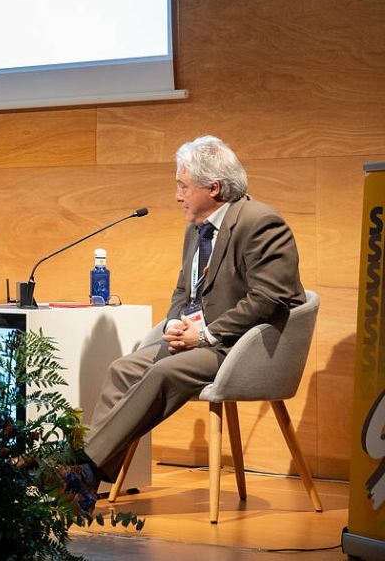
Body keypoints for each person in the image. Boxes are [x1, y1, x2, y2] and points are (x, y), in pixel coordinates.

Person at [67, 135, 305, 509]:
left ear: (214, 187)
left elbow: (268, 297)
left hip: (240, 346)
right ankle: (89, 475)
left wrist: (206, 334)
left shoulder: (260, 222)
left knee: (163, 373)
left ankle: (82, 469)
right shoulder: (196, 228)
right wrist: (175, 324)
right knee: (122, 369)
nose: (177, 195)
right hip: (199, 339)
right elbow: (184, 289)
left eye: (182, 186)